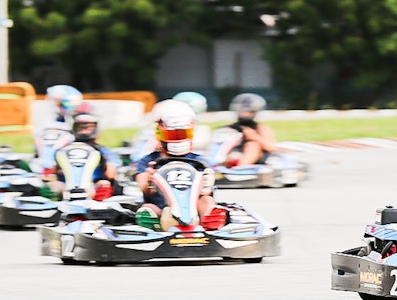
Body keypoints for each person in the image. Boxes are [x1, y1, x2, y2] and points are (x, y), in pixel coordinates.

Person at [133, 100, 224, 231]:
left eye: (182, 134)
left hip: (193, 209)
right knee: (148, 208)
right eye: (173, 135)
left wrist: (206, 184)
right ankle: (152, 226)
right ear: (160, 134)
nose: (178, 139)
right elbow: (143, 188)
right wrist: (149, 180)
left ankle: (210, 222)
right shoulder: (149, 161)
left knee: (207, 201)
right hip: (161, 207)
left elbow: (207, 192)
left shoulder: (199, 161)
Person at [53, 104, 121, 200]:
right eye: (81, 127)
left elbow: (111, 174)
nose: (84, 131)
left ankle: (100, 210)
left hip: (93, 185)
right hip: (67, 186)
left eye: (88, 127)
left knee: (104, 184)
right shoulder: (63, 150)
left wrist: (103, 162)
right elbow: (53, 171)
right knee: (53, 186)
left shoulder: (103, 151)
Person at [227, 93, 282, 166]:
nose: (244, 113)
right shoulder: (230, 128)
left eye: (249, 111)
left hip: (253, 159)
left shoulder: (260, 128)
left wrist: (254, 136)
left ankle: (240, 168)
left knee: (253, 145)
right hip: (231, 156)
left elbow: (272, 148)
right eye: (241, 110)